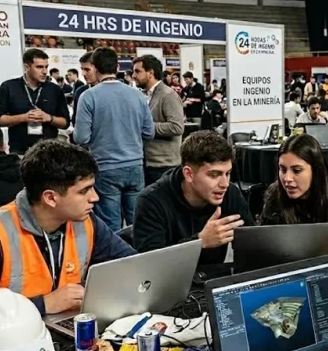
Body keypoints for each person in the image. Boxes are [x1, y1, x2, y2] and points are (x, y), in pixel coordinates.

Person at [0, 140, 137, 340]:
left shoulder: (85, 221)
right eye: (84, 191)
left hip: (58, 337)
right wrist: (44, 304)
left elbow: (134, 266)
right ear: (50, 198)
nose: (95, 198)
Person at [132, 131, 254, 264]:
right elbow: (150, 264)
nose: (224, 184)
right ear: (189, 174)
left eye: (228, 173)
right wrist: (200, 242)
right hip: (170, 282)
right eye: (214, 175)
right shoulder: (151, 202)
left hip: (213, 278)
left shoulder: (230, 193)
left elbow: (253, 244)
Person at [73, 47, 155, 232]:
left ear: (94, 67)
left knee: (111, 226)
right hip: (135, 165)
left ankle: (116, 260)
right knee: (138, 223)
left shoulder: (88, 96)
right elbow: (149, 132)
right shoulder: (137, 95)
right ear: (117, 67)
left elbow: (81, 137)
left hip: (106, 166)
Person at [0, 48, 70, 155]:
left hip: (50, 153)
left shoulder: (55, 90)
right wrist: (24, 117)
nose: (44, 71)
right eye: (39, 67)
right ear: (27, 67)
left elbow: (65, 123)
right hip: (20, 152)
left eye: (46, 67)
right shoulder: (9, 87)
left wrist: (49, 118)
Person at [132, 54, 185, 186]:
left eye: (137, 71)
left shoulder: (168, 95)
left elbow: (177, 127)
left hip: (164, 165)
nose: (133, 75)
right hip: (149, 162)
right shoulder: (144, 95)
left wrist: (146, 127)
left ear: (150, 73)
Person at [71, 52, 96, 127]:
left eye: (87, 70)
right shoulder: (80, 91)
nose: (83, 73)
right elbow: (75, 119)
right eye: (82, 69)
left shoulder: (112, 92)